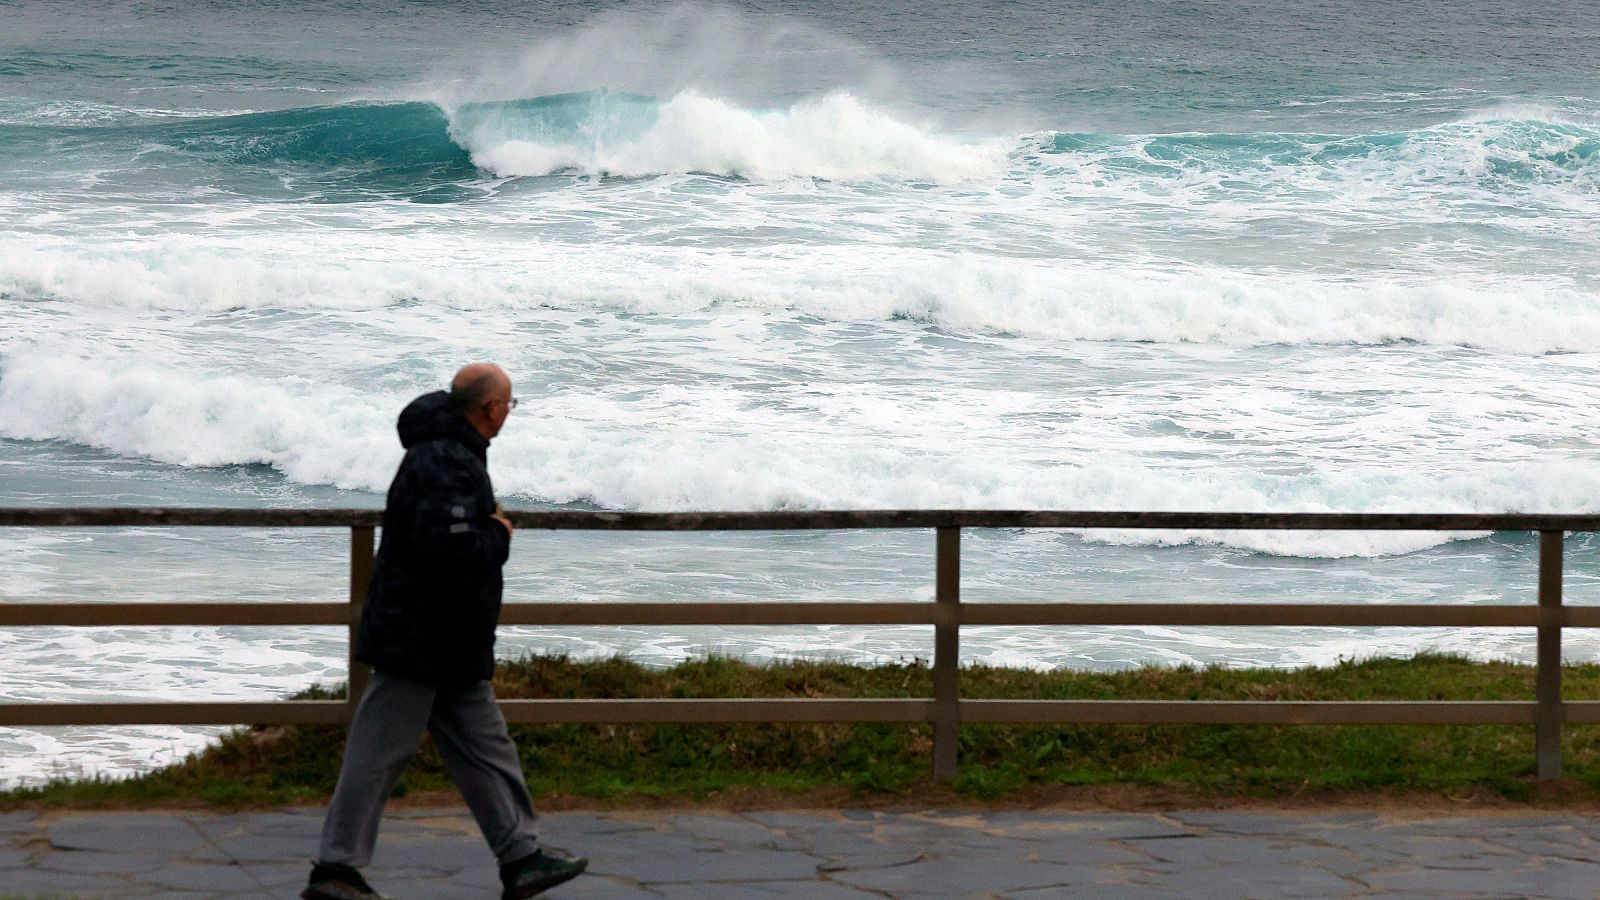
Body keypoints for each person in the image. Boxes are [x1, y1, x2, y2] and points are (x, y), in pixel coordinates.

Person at [303, 363, 587, 900]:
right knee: (376, 754)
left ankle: (521, 857)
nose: (510, 413)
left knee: (487, 750)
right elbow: (449, 550)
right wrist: (498, 534)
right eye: (510, 405)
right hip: (420, 639)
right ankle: (336, 870)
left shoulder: (451, 450)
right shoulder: (445, 459)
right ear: (490, 409)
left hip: (448, 640)